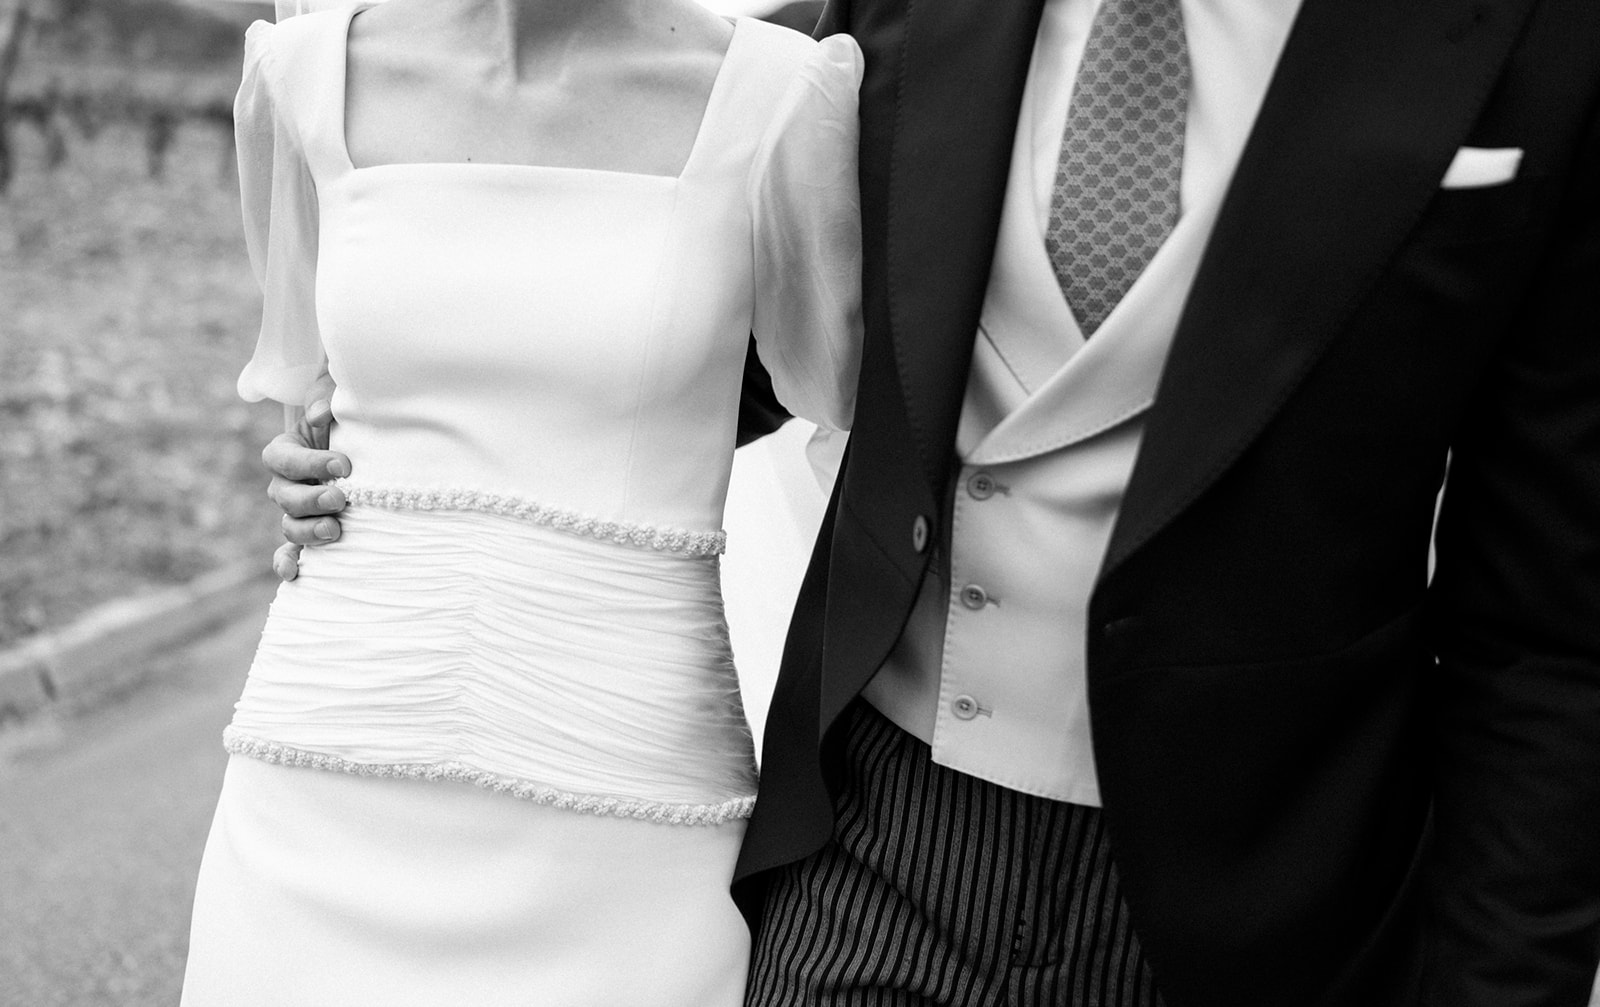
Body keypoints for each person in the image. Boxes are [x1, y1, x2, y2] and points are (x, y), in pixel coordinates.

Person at [264, 0, 1600, 1004]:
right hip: (874, 843)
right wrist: (413, 431)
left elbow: (1547, 635)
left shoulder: (1538, 32)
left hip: (1274, 895)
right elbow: (723, 296)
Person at [180, 0, 861, 1003]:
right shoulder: (303, 74)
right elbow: (312, 394)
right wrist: (305, 462)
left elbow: (859, 423)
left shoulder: (778, 95)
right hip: (325, 758)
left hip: (627, 787)